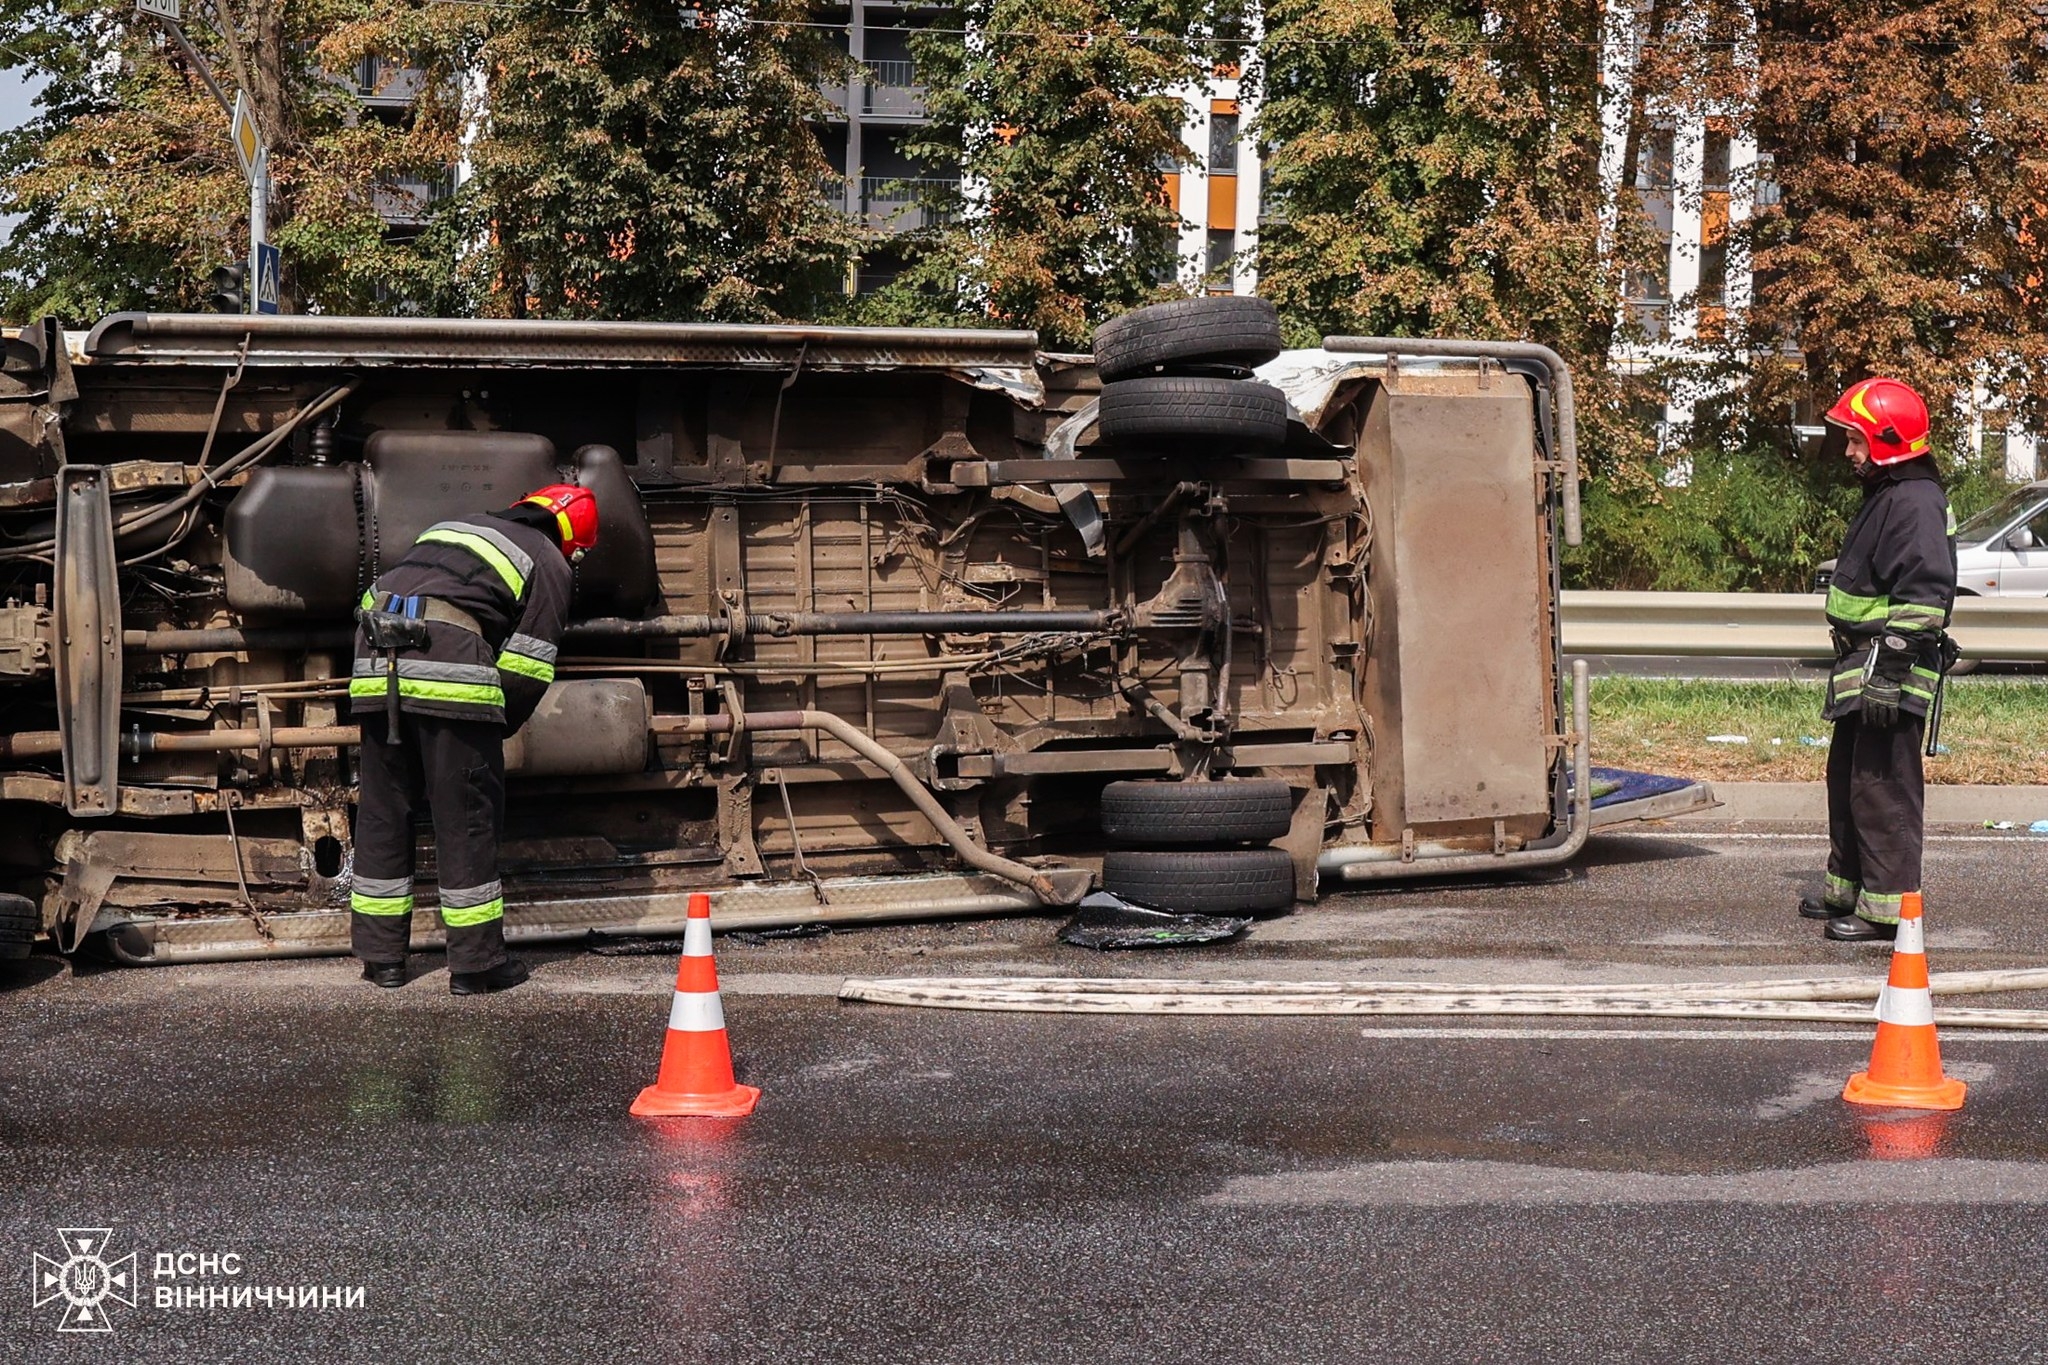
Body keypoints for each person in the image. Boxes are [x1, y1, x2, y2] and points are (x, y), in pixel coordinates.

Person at [346, 484, 598, 992]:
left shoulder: (452, 528)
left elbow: (375, 595)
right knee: (464, 817)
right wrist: (495, 722)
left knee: (382, 811)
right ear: (573, 539)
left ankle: (381, 959)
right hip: (450, 673)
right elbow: (530, 659)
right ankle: (476, 964)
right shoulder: (547, 557)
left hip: (375, 667)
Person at [1796, 378, 1958, 942]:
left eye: (1856, 441)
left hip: (1888, 667)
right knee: (1849, 778)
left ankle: (1885, 913)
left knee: (1882, 788)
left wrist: (1888, 673)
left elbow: (1925, 596)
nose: (1848, 452)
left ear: (1887, 440)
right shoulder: (1892, 492)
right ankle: (1846, 889)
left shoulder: (1914, 502)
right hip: (1862, 664)